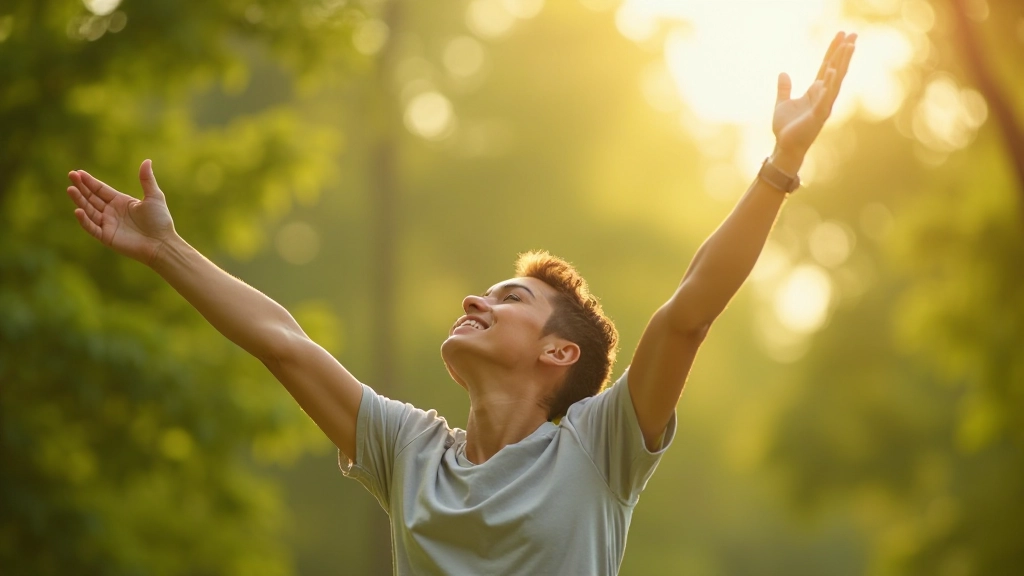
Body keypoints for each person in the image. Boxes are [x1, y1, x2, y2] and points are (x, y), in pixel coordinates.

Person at [65, 31, 856, 575]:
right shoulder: (411, 454)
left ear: (560, 352)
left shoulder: (598, 448)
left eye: (510, 298)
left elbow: (687, 309)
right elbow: (285, 342)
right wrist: (167, 249)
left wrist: (781, 163)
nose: (476, 298)